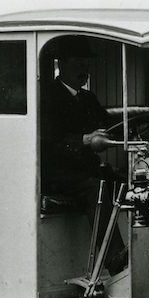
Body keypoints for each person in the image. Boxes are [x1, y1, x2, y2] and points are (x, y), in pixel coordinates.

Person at [39, 35, 128, 274]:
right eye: (79, 62)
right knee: (96, 188)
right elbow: (47, 141)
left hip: (85, 170)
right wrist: (85, 141)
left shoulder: (88, 99)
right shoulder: (46, 97)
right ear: (62, 64)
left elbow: (108, 125)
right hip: (57, 174)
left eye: (87, 63)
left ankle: (138, 253)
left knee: (128, 184)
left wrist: (133, 128)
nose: (85, 68)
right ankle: (115, 259)